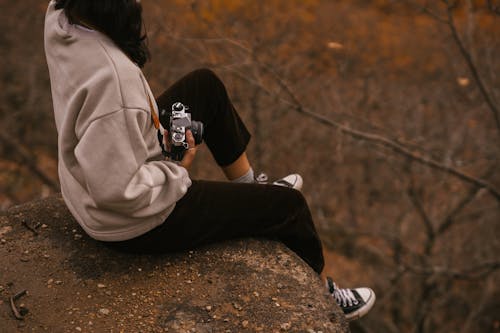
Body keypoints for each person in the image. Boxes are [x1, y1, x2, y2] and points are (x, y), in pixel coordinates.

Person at [44, 0, 375, 321]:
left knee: (205, 86)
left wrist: (148, 134)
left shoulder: (61, 17)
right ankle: (324, 297)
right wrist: (176, 169)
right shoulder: (114, 80)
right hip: (133, 220)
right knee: (289, 206)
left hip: (99, 167)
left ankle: (248, 187)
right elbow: (115, 192)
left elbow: (106, 126)